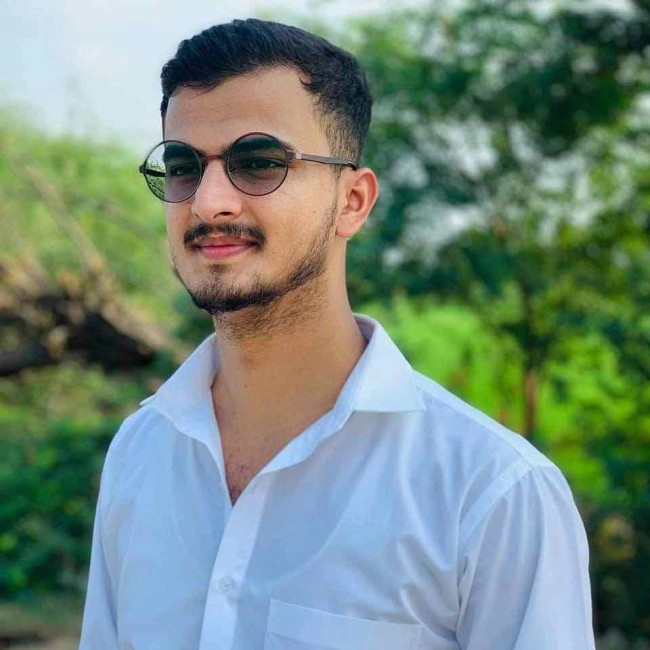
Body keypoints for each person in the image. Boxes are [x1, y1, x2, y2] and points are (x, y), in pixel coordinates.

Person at [79, 18, 596, 649]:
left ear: (352, 202)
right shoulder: (140, 453)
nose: (209, 202)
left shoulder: (490, 494)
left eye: (259, 162)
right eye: (184, 166)